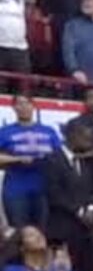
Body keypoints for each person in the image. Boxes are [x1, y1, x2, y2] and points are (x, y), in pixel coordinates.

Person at [41, 122, 93, 271]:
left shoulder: (85, 162)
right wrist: (79, 211)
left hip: (84, 229)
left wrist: (91, 208)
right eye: (86, 138)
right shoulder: (52, 159)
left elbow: (91, 189)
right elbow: (54, 192)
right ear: (72, 136)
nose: (89, 142)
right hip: (61, 227)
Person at [0, 94, 60, 229]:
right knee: (19, 231)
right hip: (16, 190)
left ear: (33, 106)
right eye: (19, 104)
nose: (24, 107)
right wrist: (17, 159)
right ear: (14, 108)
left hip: (45, 189)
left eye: (27, 103)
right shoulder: (4, 132)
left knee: (45, 230)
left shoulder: (49, 131)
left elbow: (60, 156)